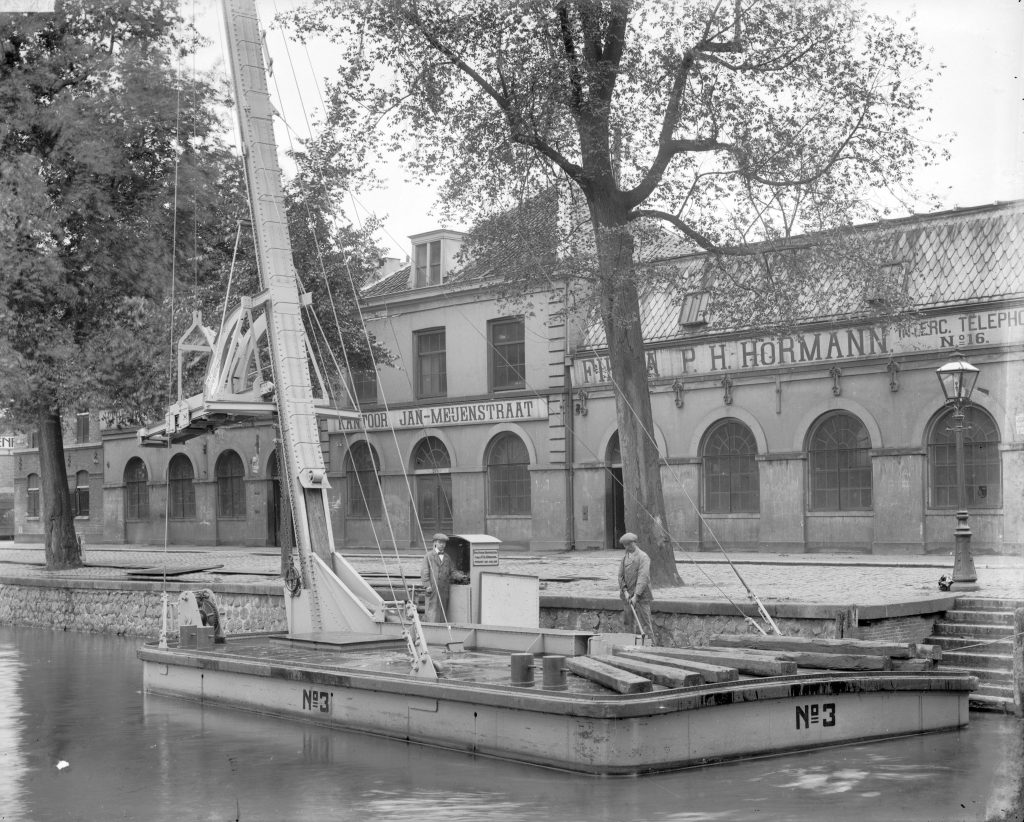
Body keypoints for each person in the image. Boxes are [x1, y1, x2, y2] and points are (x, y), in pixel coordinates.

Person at [617, 532, 655, 641]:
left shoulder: (643, 557)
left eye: (629, 544)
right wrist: (624, 591)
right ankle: (630, 645)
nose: (627, 547)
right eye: (625, 545)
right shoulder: (625, 558)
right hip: (628, 596)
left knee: (645, 624)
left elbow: (643, 577)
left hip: (641, 596)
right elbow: (620, 576)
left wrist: (636, 596)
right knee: (628, 623)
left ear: (635, 543)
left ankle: (650, 646)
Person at [420, 533, 454, 623]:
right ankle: (431, 629)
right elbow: (424, 571)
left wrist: (462, 577)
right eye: (440, 542)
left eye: (444, 543)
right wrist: (427, 585)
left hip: (444, 589)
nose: (442, 545)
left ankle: (441, 630)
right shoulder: (429, 556)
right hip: (432, 589)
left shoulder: (447, 557)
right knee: (432, 610)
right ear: (435, 543)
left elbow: (452, 571)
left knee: (442, 611)